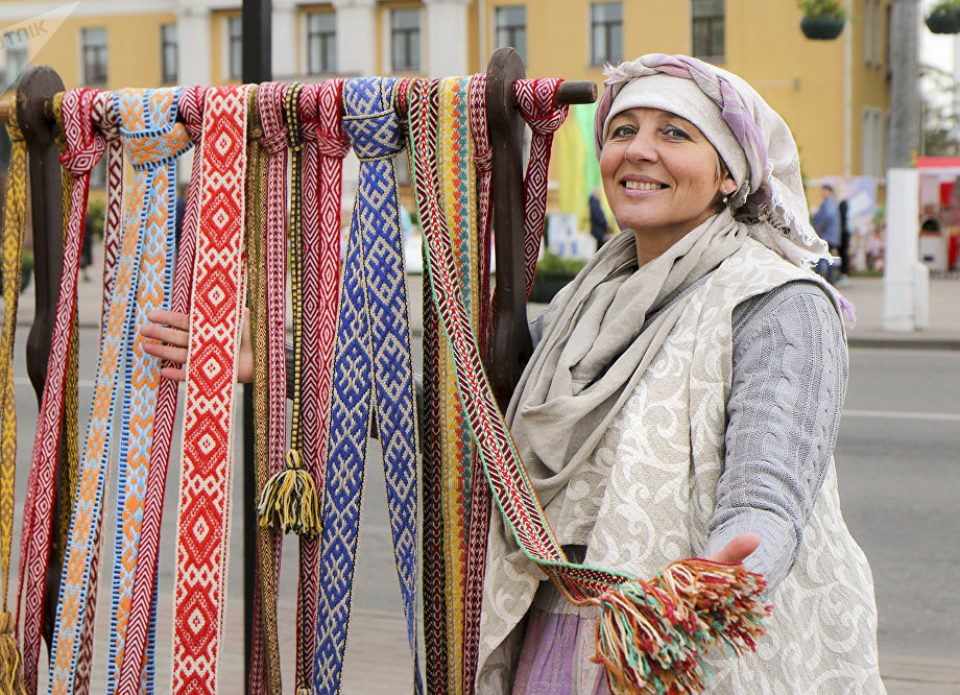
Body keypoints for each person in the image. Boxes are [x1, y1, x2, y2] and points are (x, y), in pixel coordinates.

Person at [141, 54, 885, 693]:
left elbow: (772, 484)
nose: (638, 150)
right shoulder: (582, 302)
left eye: (675, 133)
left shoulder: (780, 298)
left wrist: (732, 566)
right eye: (622, 130)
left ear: (730, 173)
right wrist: (271, 363)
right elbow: (450, 390)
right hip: (563, 632)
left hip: (683, 640)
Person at [811, 183, 840, 283]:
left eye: (824, 191)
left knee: (822, 256)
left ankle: (822, 280)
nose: (822, 193)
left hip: (827, 235)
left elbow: (828, 215)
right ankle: (829, 280)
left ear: (829, 192)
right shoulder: (830, 202)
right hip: (830, 235)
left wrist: (820, 226)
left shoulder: (829, 202)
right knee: (827, 257)